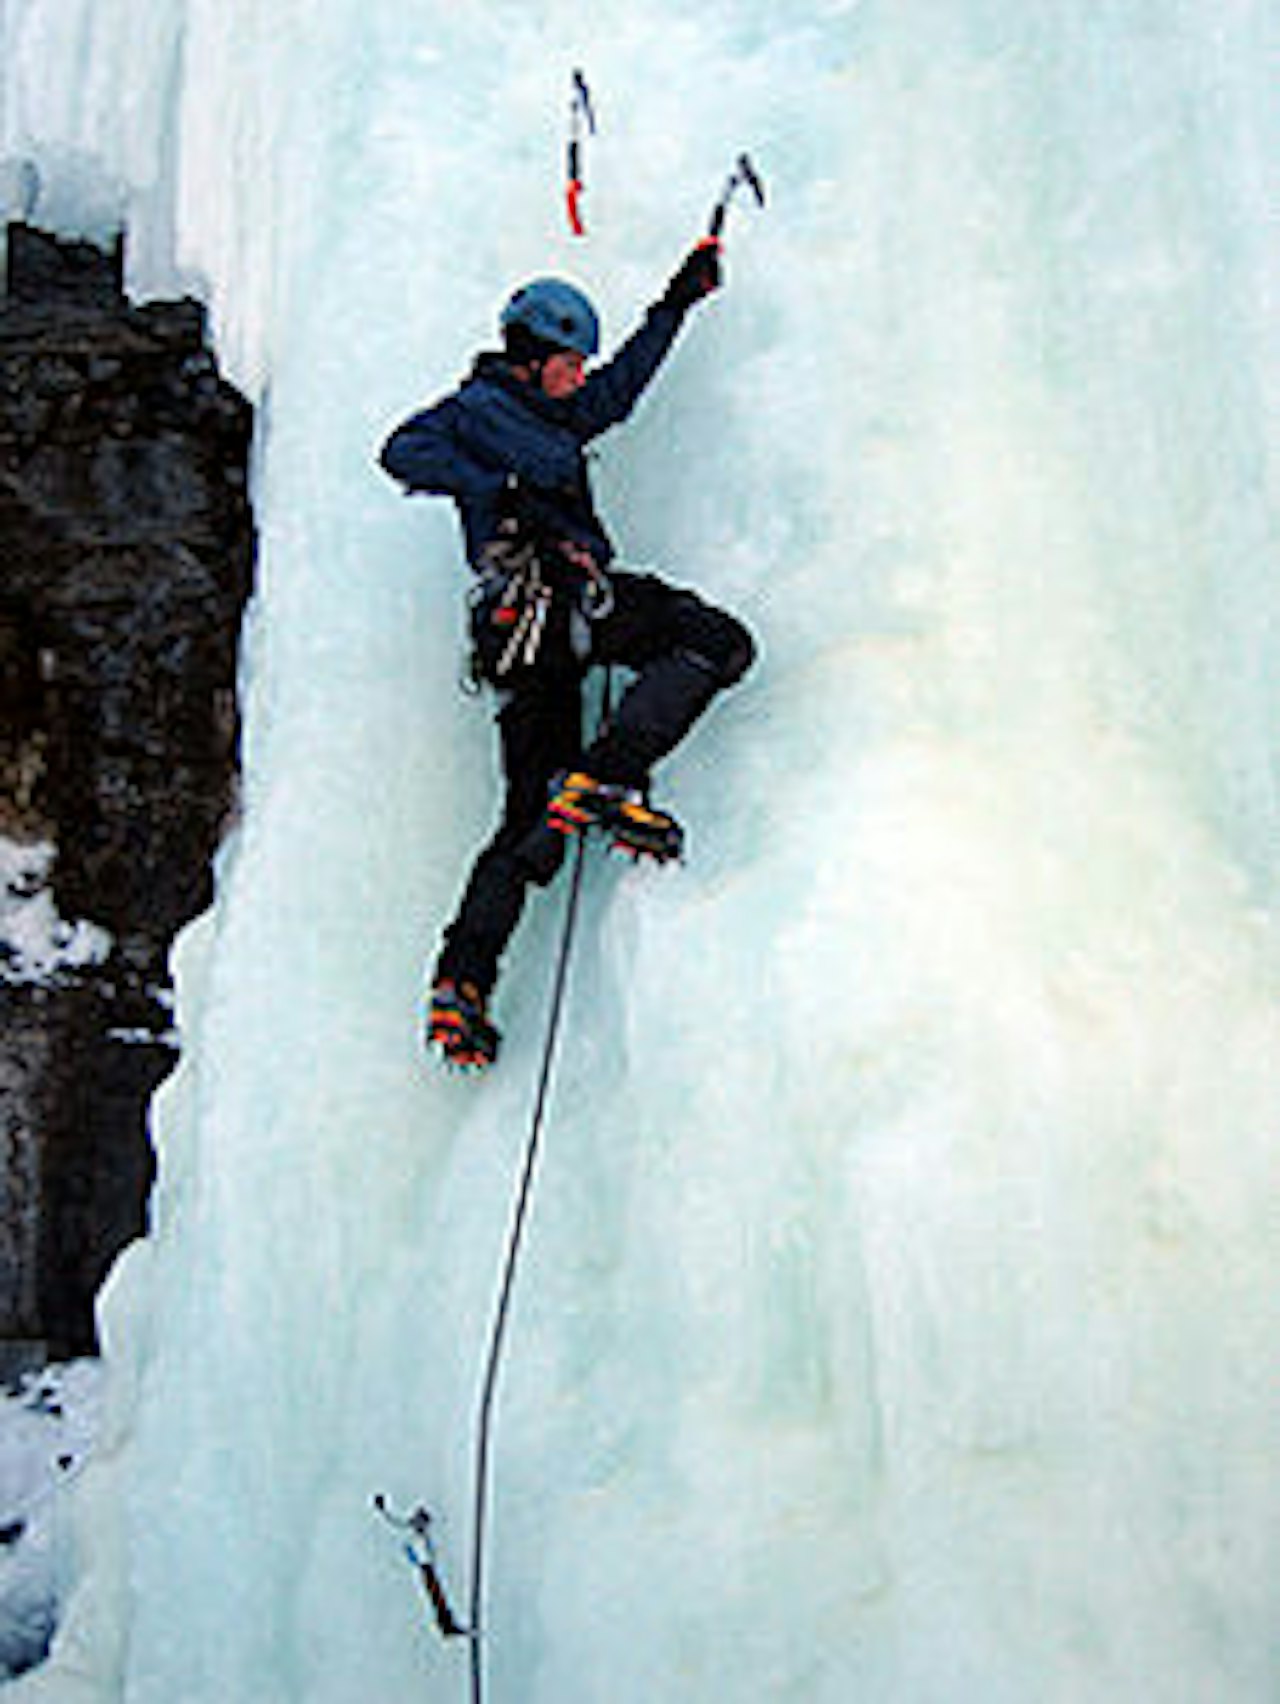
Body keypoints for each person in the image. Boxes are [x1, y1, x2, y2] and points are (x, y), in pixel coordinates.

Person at [379, 243, 755, 1068]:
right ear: (534, 357)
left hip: (525, 639)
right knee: (716, 642)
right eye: (571, 361)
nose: (581, 375)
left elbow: (618, 392)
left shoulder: (552, 413)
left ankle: (461, 985)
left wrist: (676, 303)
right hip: (551, 599)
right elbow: (401, 451)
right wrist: (498, 488)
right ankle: (610, 774)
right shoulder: (477, 407)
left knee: (524, 818)